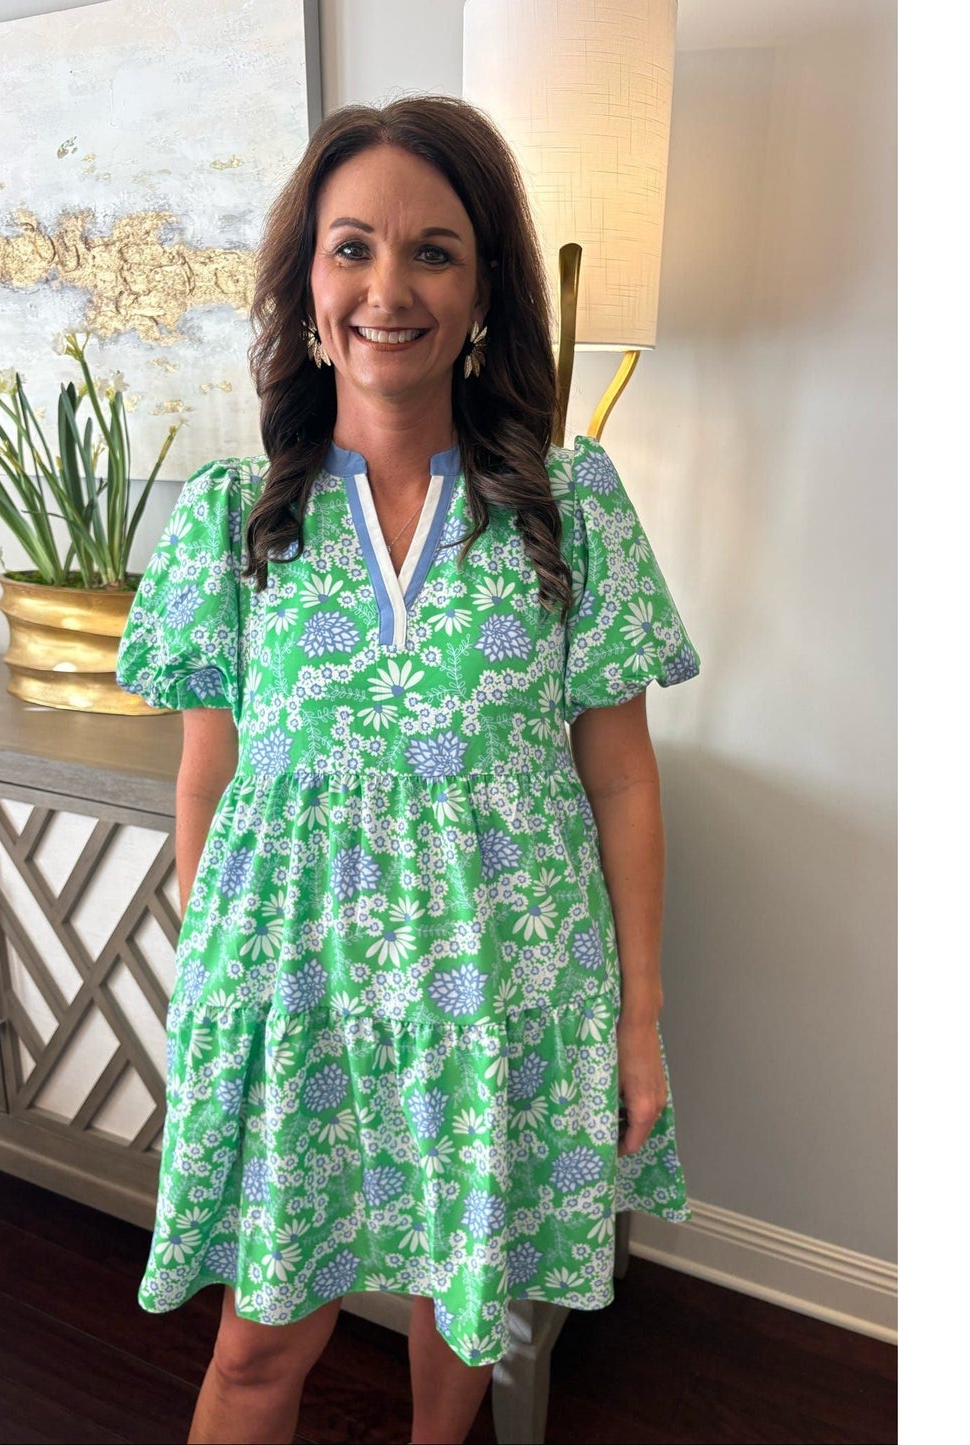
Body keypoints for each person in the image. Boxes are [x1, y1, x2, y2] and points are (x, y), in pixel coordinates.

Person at [116, 94, 702, 1445]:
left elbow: (620, 779)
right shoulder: (230, 520)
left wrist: (637, 1019)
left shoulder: (567, 507)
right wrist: (218, 986)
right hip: (296, 998)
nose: (390, 287)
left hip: (503, 995)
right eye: (352, 248)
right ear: (306, 285)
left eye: (433, 251)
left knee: (464, 1320)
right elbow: (210, 779)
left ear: (485, 285)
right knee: (258, 1349)